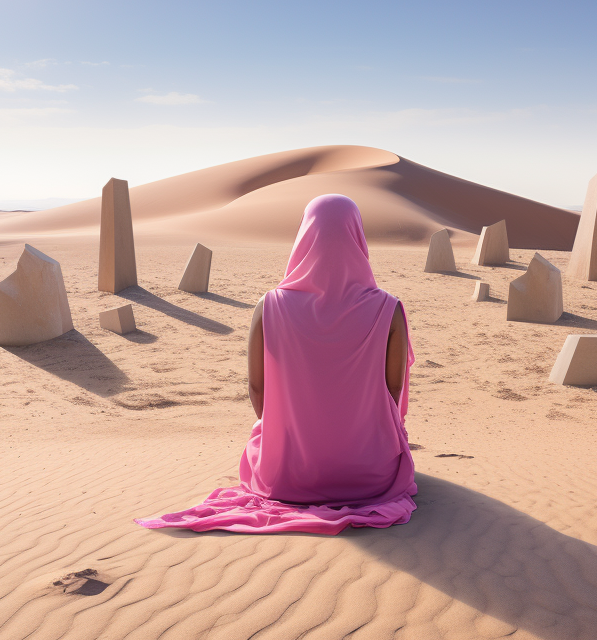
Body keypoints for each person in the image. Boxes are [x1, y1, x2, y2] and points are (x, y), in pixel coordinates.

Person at [134, 193, 417, 535]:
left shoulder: (269, 306)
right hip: (371, 478)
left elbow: (257, 388)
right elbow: (394, 390)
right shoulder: (389, 308)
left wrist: (286, 441)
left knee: (261, 437)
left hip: (285, 476)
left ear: (303, 237)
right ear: (358, 237)